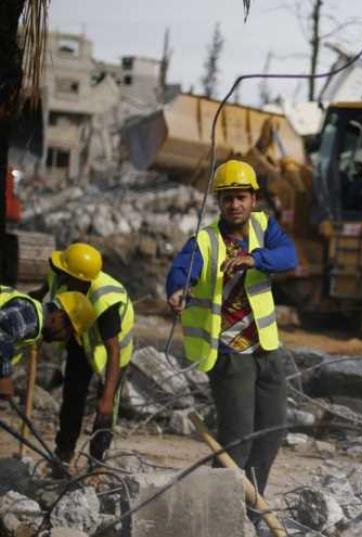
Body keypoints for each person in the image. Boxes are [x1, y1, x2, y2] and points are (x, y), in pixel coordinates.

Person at [166, 159, 297, 504]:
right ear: (219, 203)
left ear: (254, 199)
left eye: (241, 197)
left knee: (271, 432)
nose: (235, 204)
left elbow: (289, 257)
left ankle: (252, 507)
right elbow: (182, 269)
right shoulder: (206, 241)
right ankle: (218, 510)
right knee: (237, 439)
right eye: (227, 198)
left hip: (266, 349)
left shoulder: (265, 229)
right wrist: (178, 290)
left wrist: (256, 259)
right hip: (229, 352)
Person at [39, 243, 135, 463]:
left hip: (110, 351)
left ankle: (97, 463)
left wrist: (108, 398)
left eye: (65, 273)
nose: (59, 275)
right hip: (81, 339)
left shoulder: (105, 301)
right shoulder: (63, 277)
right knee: (72, 395)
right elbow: (46, 289)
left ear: (80, 279)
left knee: (104, 410)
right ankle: (63, 454)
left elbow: (114, 351)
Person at [1, 286, 95, 401]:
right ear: (58, 318)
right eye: (69, 333)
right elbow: (2, 333)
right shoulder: (30, 316)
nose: (64, 339)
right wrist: (5, 376)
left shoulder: (30, 318)